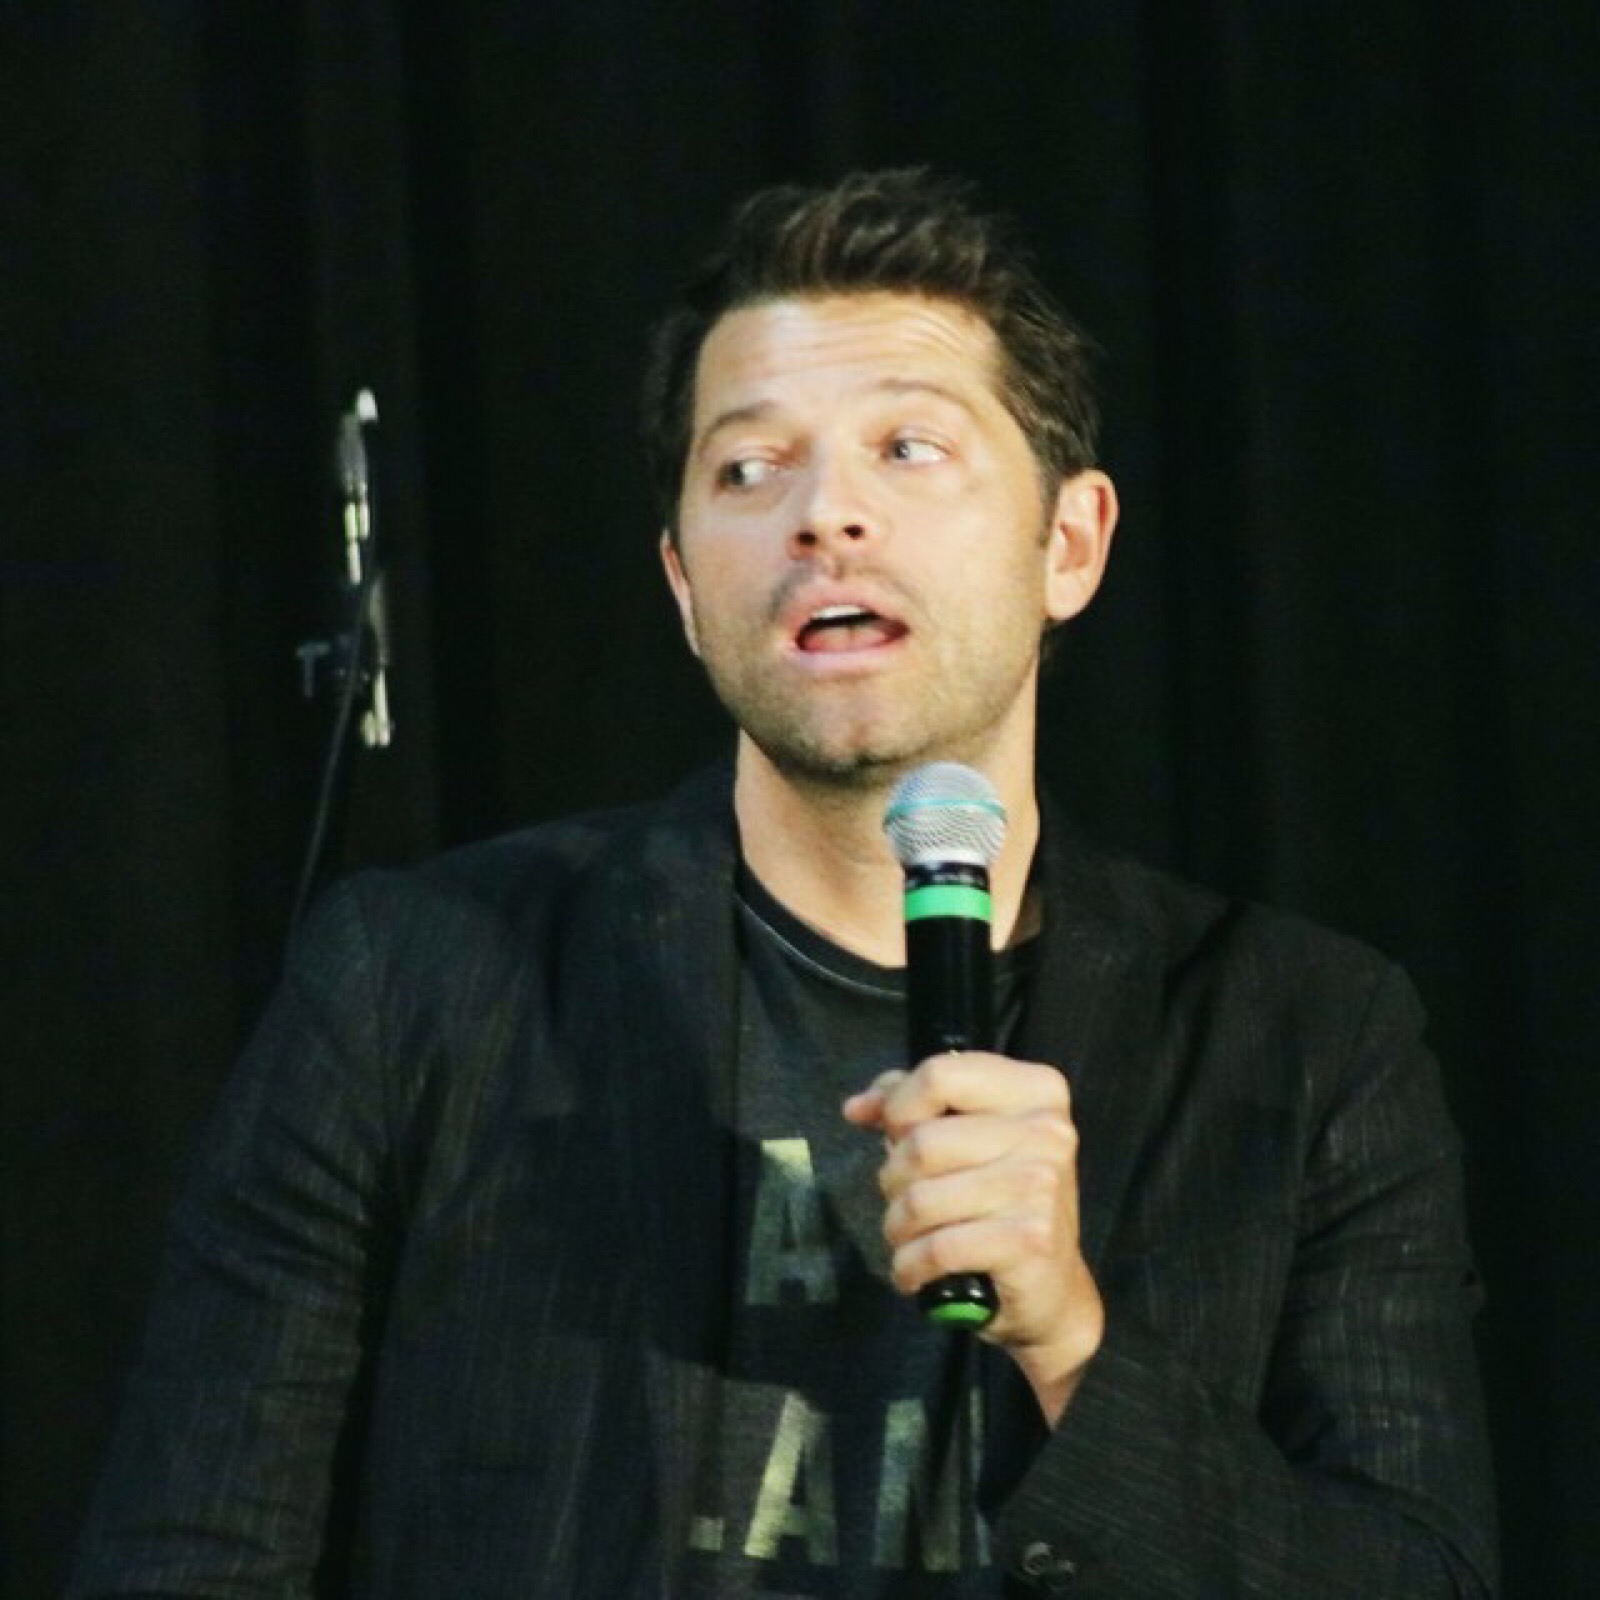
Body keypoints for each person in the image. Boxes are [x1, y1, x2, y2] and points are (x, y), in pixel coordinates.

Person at [70, 169, 1496, 1598]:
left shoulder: (1305, 1038)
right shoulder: (415, 986)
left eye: (909, 448)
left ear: (1069, 545)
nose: (826, 517)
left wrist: (1074, 1347)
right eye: (751, 469)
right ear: (685, 584)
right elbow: (191, 1552)